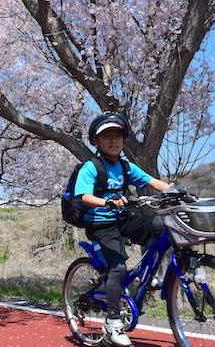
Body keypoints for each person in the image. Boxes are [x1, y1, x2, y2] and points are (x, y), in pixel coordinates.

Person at [75, 112, 171, 347]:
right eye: (106, 136)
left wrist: (177, 191)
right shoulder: (91, 167)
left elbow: (152, 181)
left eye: (118, 136)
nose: (113, 141)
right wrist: (106, 202)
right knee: (117, 269)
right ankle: (113, 322)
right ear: (95, 142)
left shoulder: (126, 167)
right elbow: (84, 195)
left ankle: (154, 275)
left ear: (124, 142)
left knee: (159, 225)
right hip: (101, 224)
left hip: (123, 219)